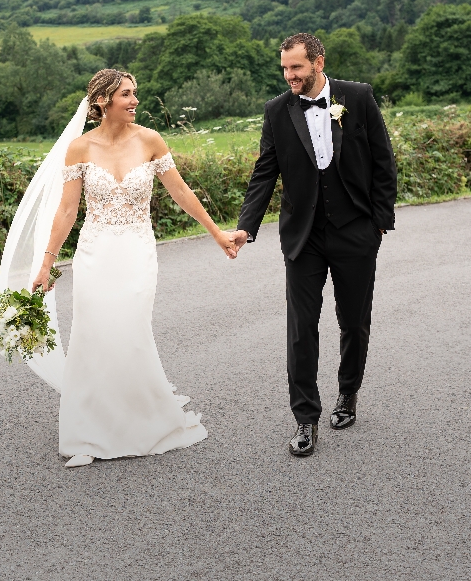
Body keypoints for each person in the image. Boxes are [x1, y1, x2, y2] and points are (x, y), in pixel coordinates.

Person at [26, 68, 237, 468]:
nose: (135, 100)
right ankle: (87, 433)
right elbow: (67, 210)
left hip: (137, 250)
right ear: (103, 101)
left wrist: (217, 233)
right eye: (126, 94)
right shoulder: (79, 148)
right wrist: (46, 264)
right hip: (95, 253)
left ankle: (141, 420)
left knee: (130, 331)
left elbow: (180, 191)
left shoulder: (150, 140)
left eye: (134, 93)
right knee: (93, 334)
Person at [231, 33, 397, 457]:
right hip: (302, 235)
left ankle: (348, 393)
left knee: (353, 321)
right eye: (285, 68)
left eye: (297, 67)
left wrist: (379, 222)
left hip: (355, 229)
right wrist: (246, 227)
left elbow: (383, 159)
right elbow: (264, 172)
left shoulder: (357, 97)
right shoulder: (277, 111)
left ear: (318, 62)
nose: (289, 76)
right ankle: (305, 418)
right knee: (301, 328)